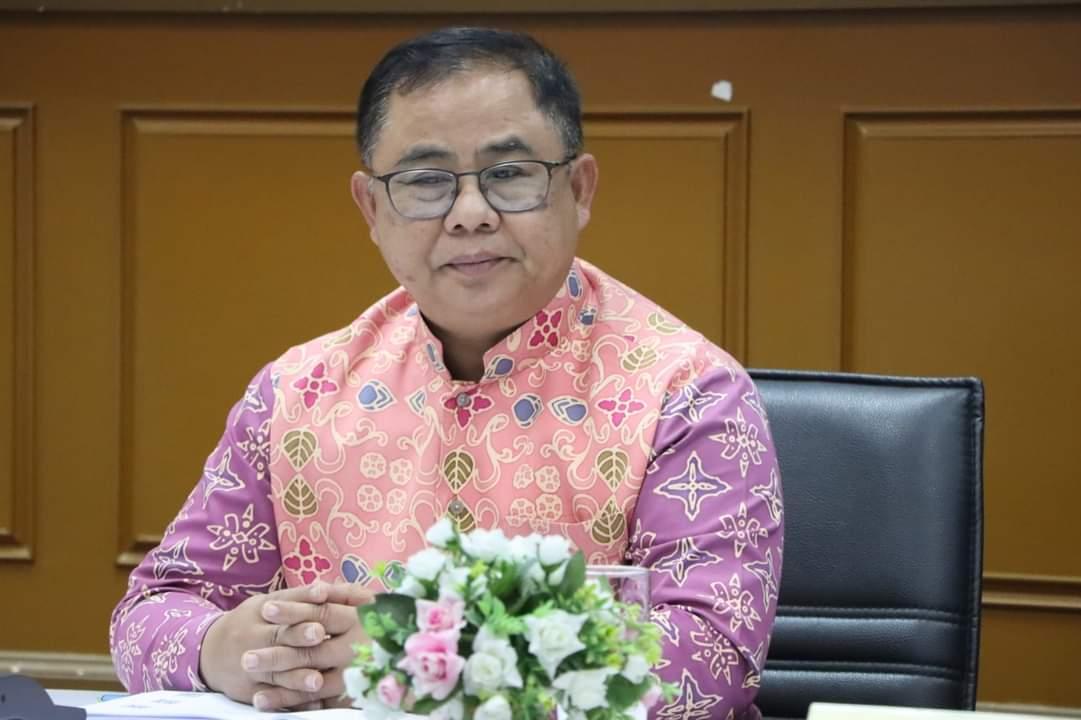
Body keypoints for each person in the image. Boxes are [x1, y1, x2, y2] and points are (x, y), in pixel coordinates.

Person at [109, 26, 784, 719]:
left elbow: (709, 661)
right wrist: (224, 648)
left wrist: (416, 658)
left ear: (579, 189)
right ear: (371, 209)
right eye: (426, 182)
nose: (469, 215)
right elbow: (152, 610)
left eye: (509, 174)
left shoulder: (686, 392)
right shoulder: (297, 394)